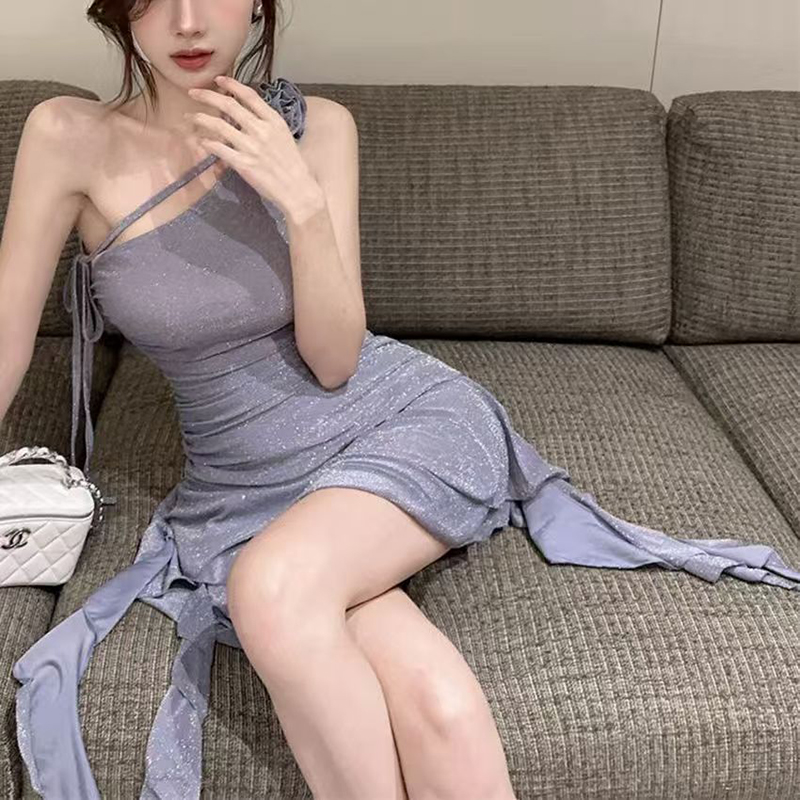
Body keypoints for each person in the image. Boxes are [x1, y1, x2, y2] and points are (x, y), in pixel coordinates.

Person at [3, 1, 799, 799]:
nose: (186, 21)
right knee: (439, 705)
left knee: (272, 590)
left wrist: (300, 201)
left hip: (399, 422)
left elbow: (334, 360)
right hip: (240, 483)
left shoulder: (320, 131)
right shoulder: (67, 137)